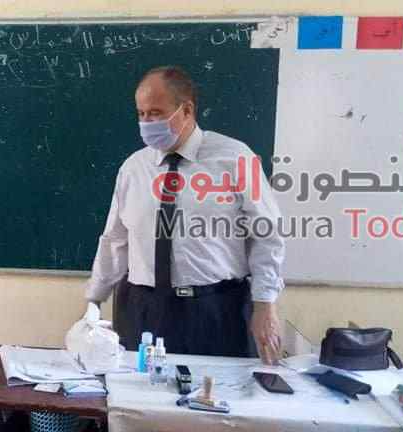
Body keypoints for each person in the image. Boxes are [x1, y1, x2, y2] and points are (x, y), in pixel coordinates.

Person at [85, 65, 285, 364]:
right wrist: (93, 301)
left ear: (187, 109)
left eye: (155, 113)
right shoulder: (134, 167)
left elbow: (266, 235)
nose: (146, 122)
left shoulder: (235, 158)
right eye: (141, 114)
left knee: (218, 391)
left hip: (217, 310)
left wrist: (265, 305)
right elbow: (115, 239)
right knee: (138, 390)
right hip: (144, 309)